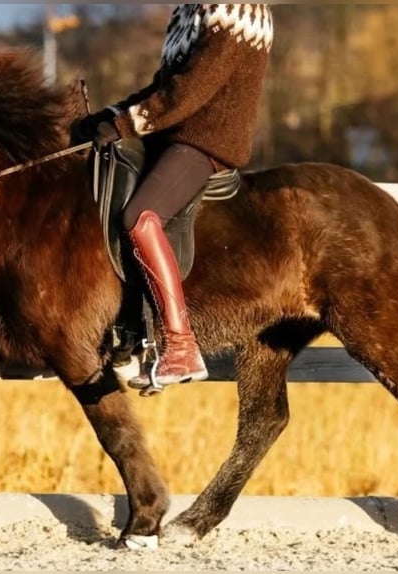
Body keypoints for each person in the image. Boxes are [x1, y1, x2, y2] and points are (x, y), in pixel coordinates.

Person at [72, 4, 274, 391]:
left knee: (141, 216)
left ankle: (181, 346)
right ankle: (128, 330)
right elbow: (165, 85)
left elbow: (194, 87)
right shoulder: (190, 9)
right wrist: (109, 115)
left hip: (206, 140)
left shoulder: (237, 9)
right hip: (174, 136)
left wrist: (126, 124)